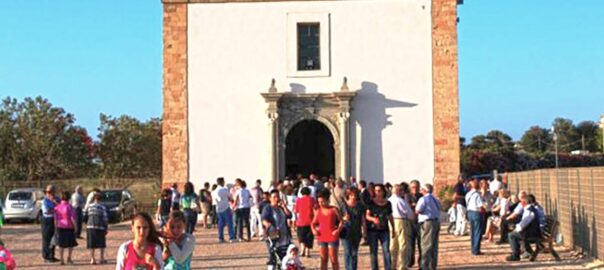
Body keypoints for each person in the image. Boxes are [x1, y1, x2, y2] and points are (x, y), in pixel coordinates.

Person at [312, 188, 343, 270]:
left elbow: (341, 222)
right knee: (323, 259)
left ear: (327, 200)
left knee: (333, 259)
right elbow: (313, 223)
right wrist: (314, 230)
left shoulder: (334, 209)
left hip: (332, 236)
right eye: (319, 202)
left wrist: (338, 230)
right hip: (321, 236)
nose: (321, 203)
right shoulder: (318, 210)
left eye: (322, 201)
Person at [365, 184, 394, 270]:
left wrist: (393, 228)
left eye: (379, 190)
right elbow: (367, 216)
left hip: (384, 230)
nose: (378, 193)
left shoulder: (388, 203)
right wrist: (373, 219)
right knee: (373, 252)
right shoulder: (371, 203)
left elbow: (390, 216)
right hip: (373, 230)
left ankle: (388, 268)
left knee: (387, 251)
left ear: (383, 191)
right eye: (376, 191)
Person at [262, 189, 293, 270]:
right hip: (273, 236)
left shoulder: (281, 208)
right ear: (270, 198)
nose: (276, 198)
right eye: (274, 197)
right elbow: (264, 219)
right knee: (273, 256)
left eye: (278, 197)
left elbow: (289, 215)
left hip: (284, 236)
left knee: (284, 257)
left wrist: (284, 206)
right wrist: (270, 227)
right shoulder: (267, 208)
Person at [506, 194, 541, 261]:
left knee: (511, 235)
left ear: (523, 203)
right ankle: (529, 252)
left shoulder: (529, 211)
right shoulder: (530, 209)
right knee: (516, 234)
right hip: (532, 232)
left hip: (532, 234)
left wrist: (516, 229)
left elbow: (523, 224)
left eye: (521, 202)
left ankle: (515, 255)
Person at [415, 183, 441, 270]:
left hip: (427, 222)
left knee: (426, 245)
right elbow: (439, 208)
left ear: (424, 190)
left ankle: (424, 266)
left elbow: (418, 210)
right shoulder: (435, 198)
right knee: (434, 244)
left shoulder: (423, 199)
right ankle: (432, 265)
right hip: (436, 221)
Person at [389, 184, 414, 270]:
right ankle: (402, 266)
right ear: (399, 191)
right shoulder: (400, 201)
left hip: (390, 221)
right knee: (403, 243)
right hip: (401, 221)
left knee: (393, 244)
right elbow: (409, 213)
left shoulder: (389, 200)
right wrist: (412, 218)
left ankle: (392, 265)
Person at [341, 187, 365, 270]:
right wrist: (343, 218)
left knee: (354, 253)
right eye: (351, 195)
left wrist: (364, 231)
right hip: (346, 233)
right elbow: (338, 219)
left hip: (357, 232)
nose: (353, 197)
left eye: (355, 195)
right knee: (348, 252)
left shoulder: (360, 206)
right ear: (348, 195)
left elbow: (363, 219)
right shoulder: (343, 205)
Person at [84, 191, 108, 265]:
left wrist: (86, 223)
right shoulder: (102, 207)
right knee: (101, 243)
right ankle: (101, 258)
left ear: (94, 199)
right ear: (100, 199)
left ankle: (92, 258)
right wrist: (106, 227)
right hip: (99, 226)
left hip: (90, 226)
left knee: (91, 243)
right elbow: (105, 218)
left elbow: (85, 215)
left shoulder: (89, 206)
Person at [54, 191, 78, 265]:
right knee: (70, 244)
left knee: (61, 244)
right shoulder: (70, 207)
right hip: (69, 227)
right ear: (69, 198)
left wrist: (55, 227)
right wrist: (76, 227)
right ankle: (69, 258)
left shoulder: (57, 207)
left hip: (60, 226)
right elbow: (72, 218)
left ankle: (62, 259)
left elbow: (55, 219)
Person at [465, 179, 485, 256]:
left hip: (470, 212)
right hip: (476, 213)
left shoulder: (468, 194)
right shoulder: (477, 194)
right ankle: (476, 250)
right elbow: (480, 206)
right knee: (478, 232)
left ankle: (473, 248)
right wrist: (484, 211)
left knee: (472, 231)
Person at [213, 177, 235, 243]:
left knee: (221, 224)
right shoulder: (224, 190)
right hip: (225, 207)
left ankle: (220, 238)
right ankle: (231, 237)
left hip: (218, 208)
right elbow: (230, 197)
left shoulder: (214, 191)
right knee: (229, 223)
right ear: (222, 182)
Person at [294, 187, 315, 257]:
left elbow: (296, 210)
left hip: (301, 221)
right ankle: (307, 251)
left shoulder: (298, 200)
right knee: (309, 236)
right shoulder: (312, 200)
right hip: (310, 221)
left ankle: (302, 249)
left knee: (301, 236)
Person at [406, 179, 422, 268]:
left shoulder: (421, 196)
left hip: (420, 222)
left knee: (421, 244)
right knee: (410, 244)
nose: (415, 189)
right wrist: (414, 206)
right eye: (413, 187)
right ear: (410, 188)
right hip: (410, 222)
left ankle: (421, 263)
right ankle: (410, 262)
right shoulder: (407, 196)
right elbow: (408, 206)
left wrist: (414, 205)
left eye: (416, 187)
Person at [41, 185, 59, 263]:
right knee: (46, 239)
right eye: (47, 192)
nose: (48, 194)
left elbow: (62, 207)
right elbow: (46, 211)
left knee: (53, 238)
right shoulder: (45, 200)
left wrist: (55, 203)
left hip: (54, 220)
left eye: (50, 192)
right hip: (47, 220)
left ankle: (52, 255)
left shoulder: (57, 199)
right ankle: (46, 256)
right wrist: (55, 208)